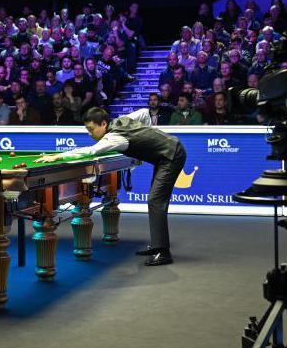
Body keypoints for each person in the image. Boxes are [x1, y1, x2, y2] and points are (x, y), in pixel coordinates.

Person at [35, 107, 186, 266]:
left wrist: (59, 156)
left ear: (104, 124)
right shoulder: (122, 119)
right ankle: (157, 247)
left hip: (171, 156)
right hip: (167, 153)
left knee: (155, 201)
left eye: (91, 129)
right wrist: (149, 137)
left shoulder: (114, 138)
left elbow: (91, 151)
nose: (89, 133)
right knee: (155, 201)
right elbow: (144, 112)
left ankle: (163, 252)